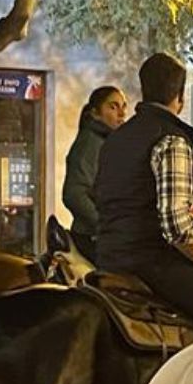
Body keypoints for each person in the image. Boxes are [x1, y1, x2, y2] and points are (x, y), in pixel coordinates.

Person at [95, 52, 193, 335]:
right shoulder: (171, 140)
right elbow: (175, 226)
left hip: (109, 256)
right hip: (152, 262)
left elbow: (130, 201)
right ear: (180, 97)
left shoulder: (115, 138)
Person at [62, 85, 128, 261]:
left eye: (123, 107)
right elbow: (74, 194)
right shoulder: (90, 144)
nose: (121, 114)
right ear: (95, 113)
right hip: (92, 240)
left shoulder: (107, 143)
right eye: (113, 107)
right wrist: (105, 226)